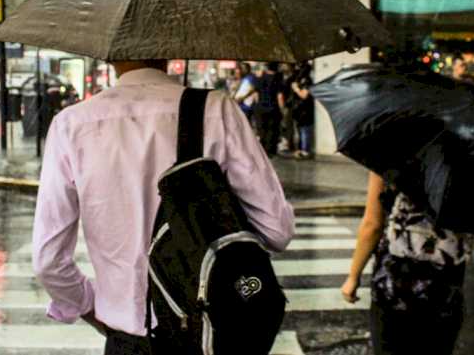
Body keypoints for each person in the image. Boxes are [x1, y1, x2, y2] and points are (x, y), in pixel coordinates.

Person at [32, 60, 295, 355]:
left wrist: (93, 307)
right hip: (208, 332)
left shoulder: (71, 124)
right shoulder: (215, 110)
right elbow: (277, 229)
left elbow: (49, 262)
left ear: (109, 55)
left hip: (127, 340)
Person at [341, 172, 472, 355]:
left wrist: (353, 276)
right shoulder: (469, 161)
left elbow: (373, 224)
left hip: (396, 281)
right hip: (446, 282)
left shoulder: (390, 155)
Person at [254, 62, 283, 156]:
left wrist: (257, 105)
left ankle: (262, 150)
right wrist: (282, 109)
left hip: (260, 108)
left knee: (262, 129)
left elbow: (256, 94)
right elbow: (279, 96)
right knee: (272, 129)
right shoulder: (278, 79)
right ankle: (270, 151)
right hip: (273, 108)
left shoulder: (260, 78)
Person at [290, 64, 315, 160]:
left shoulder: (307, 81)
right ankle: (301, 150)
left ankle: (305, 151)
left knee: (305, 131)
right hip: (299, 111)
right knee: (301, 131)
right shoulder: (299, 81)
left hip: (305, 110)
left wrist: (296, 89)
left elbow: (304, 95)